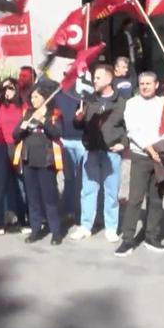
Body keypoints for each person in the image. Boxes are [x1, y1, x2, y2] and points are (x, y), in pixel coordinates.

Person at [116, 71, 164, 256]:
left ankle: (152, 236)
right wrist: (150, 149)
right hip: (141, 156)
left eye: (149, 83)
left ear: (156, 85)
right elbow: (132, 130)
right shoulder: (132, 104)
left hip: (160, 157)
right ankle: (127, 239)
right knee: (135, 199)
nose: (145, 86)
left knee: (156, 198)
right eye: (142, 83)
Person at [67, 64, 127, 242]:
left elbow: (128, 128)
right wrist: (77, 119)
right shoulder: (89, 100)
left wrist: (123, 144)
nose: (94, 80)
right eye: (94, 77)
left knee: (111, 192)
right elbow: (80, 125)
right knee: (88, 190)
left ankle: (111, 227)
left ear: (109, 79)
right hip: (92, 150)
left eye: (98, 77)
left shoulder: (121, 102)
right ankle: (86, 226)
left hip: (111, 153)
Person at [13, 84, 63, 245]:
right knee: (33, 198)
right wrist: (24, 127)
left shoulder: (53, 113)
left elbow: (56, 133)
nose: (33, 100)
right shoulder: (27, 113)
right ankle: (36, 229)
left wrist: (43, 120)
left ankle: (56, 231)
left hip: (46, 162)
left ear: (44, 97)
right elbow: (15, 134)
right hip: (28, 161)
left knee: (49, 198)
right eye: (32, 97)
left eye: (37, 96)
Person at [0, 78, 26, 235]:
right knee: (1, 186)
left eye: (10, 88)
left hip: (18, 146)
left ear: (16, 89)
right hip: (1, 147)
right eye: (4, 89)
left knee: (21, 185)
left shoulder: (24, 106)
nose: (7, 91)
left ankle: (23, 221)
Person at [55, 87, 85, 225]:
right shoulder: (57, 96)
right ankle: (69, 211)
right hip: (65, 141)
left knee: (84, 179)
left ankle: (82, 212)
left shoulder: (84, 95)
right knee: (69, 178)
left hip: (82, 142)